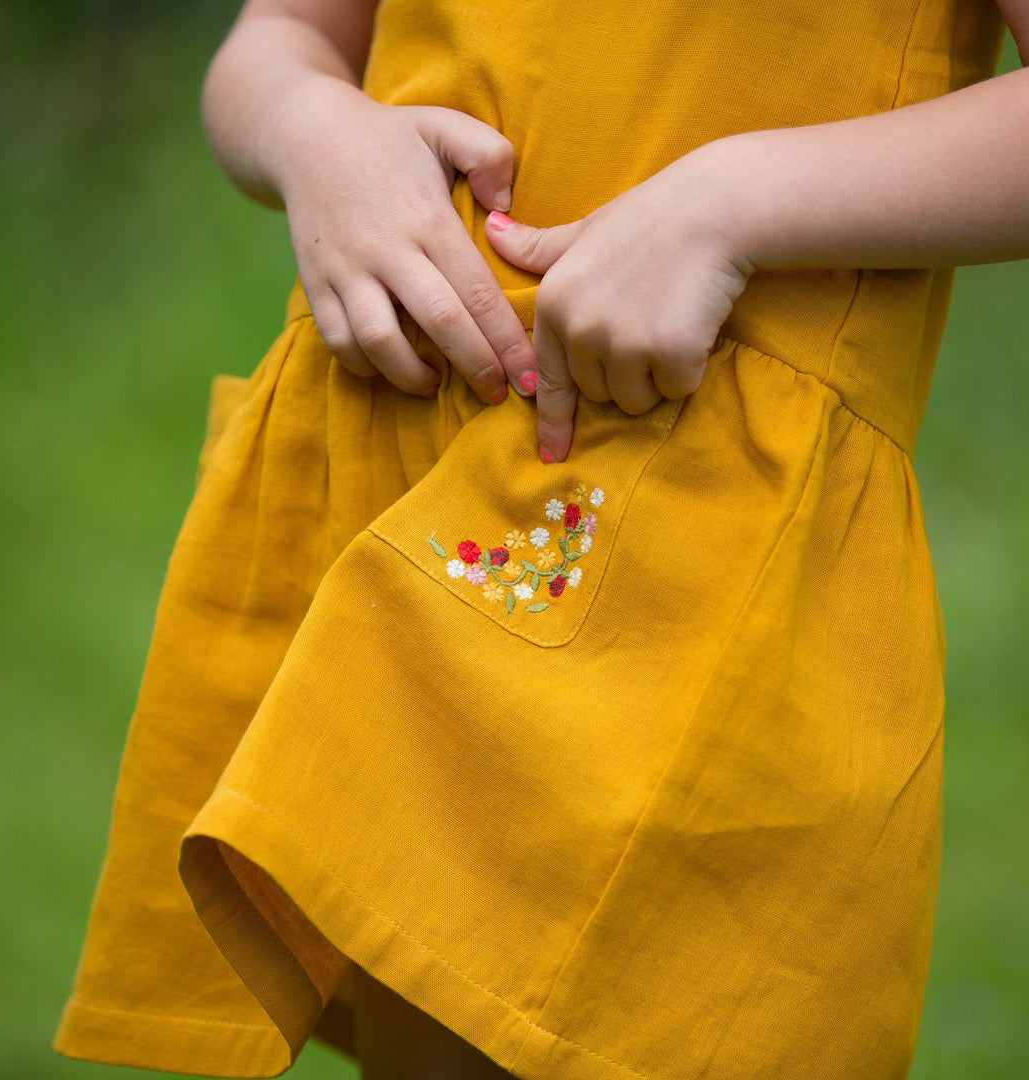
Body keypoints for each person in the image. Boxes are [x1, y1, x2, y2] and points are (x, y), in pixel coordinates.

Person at [55, 0, 1029, 1078]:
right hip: (391, 483)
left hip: (688, 571)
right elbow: (279, 39)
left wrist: (734, 202)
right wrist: (308, 126)